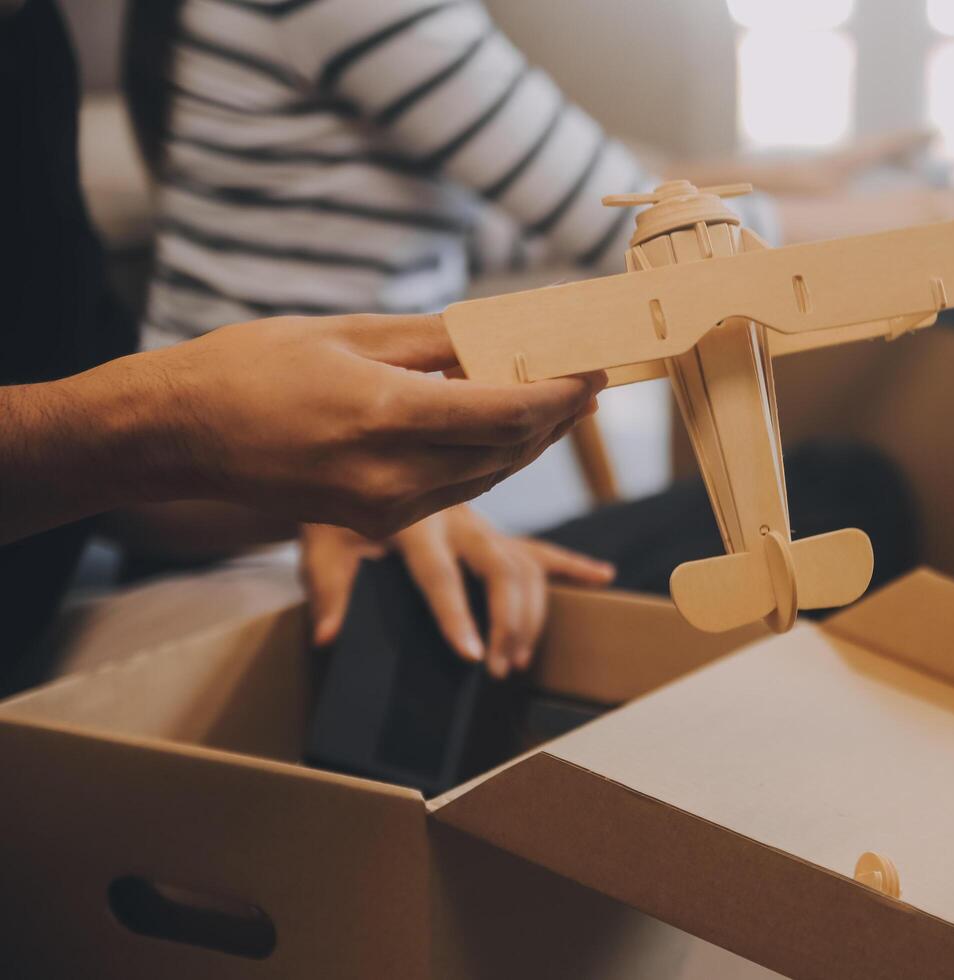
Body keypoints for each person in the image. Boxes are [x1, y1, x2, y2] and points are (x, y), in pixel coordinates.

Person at [117, 0, 954, 673]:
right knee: (855, 486)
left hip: (244, 526)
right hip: (272, 542)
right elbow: (608, 222)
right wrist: (946, 206)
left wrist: (772, 176)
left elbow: (532, 201)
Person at [0, 0, 600, 695]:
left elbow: (80, 464)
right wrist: (170, 423)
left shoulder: (33, 37)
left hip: (109, 575)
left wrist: (309, 497)